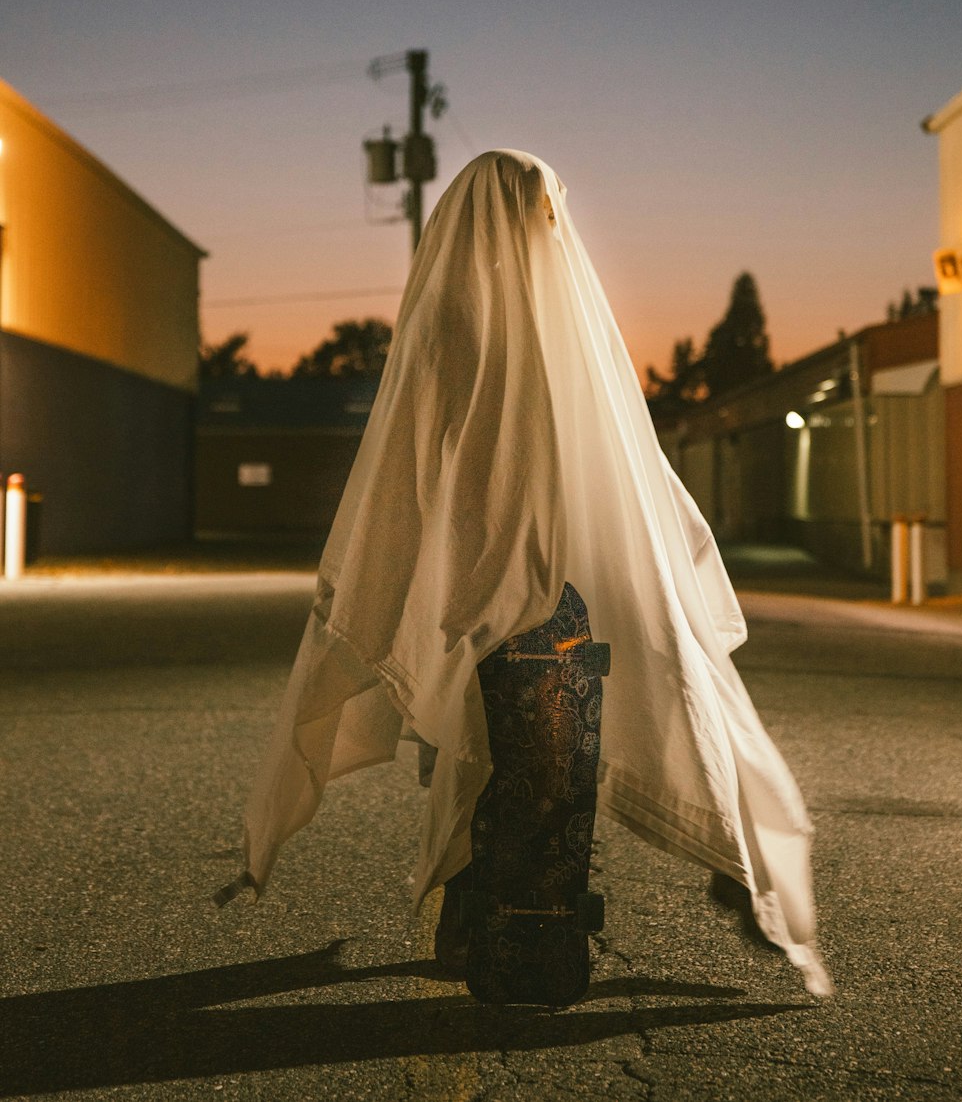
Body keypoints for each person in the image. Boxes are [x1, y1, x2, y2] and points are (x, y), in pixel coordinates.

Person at [216, 149, 832, 998]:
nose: (553, 227)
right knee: (532, 756)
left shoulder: (490, 320)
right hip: (526, 584)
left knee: (507, 756)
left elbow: (605, 458)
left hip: (493, 583)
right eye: (544, 210)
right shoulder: (518, 323)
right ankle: (543, 918)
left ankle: (522, 916)